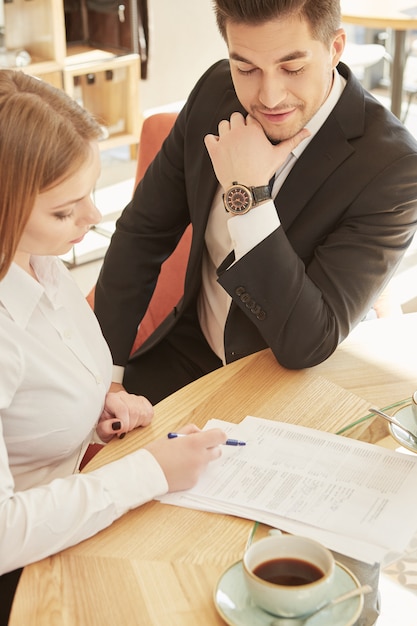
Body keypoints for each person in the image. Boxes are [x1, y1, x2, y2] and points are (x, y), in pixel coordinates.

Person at [94, 0, 417, 406]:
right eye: (246, 68)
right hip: (186, 355)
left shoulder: (393, 168)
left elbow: (307, 342)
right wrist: (106, 376)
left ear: (335, 48)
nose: (269, 96)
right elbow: (141, 234)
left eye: (293, 68)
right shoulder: (214, 92)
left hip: (293, 385)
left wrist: (247, 196)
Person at [0, 69, 226, 623]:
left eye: (90, 194)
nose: (93, 219)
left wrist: (93, 401)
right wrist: (149, 470)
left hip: (68, 524)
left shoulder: (37, 263)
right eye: (63, 211)